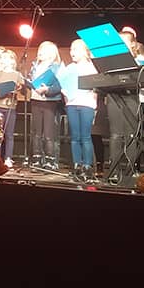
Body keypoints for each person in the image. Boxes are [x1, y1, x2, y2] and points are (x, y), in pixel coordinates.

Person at [60, 39, 99, 183]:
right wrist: (67, 96)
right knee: (75, 137)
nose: (72, 52)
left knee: (85, 136)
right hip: (72, 104)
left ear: (84, 51)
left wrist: (94, 106)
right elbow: (63, 85)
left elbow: (96, 88)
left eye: (76, 49)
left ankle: (88, 166)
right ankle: (77, 164)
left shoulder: (92, 67)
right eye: (71, 49)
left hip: (86, 104)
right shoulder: (69, 68)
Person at [27, 40, 64, 170]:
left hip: (50, 101)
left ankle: (50, 159)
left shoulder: (57, 67)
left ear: (52, 53)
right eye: (40, 49)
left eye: (44, 50)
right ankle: (36, 158)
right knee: (36, 132)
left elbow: (60, 85)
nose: (41, 52)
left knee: (49, 133)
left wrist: (47, 90)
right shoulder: (35, 66)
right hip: (36, 99)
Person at [0, 49, 24, 168]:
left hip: (10, 107)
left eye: (5, 58)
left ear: (12, 60)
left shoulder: (17, 75)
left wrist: (18, 88)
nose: (3, 60)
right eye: (2, 58)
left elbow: (21, 89)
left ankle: (8, 158)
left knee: (9, 134)